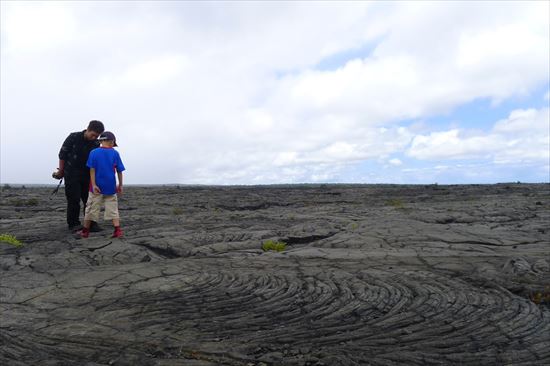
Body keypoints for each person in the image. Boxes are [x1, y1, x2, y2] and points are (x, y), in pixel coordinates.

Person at [54, 120, 105, 231]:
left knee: (90, 200)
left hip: (88, 175)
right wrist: (61, 171)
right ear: (88, 129)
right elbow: (62, 155)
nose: (94, 138)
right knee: (74, 199)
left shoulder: (96, 144)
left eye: (96, 136)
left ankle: (91, 223)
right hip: (71, 173)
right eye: (93, 135)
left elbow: (96, 162)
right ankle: (74, 224)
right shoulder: (73, 137)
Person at [77, 131, 125, 239]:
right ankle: (117, 230)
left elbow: (92, 170)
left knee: (91, 208)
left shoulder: (94, 152)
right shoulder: (115, 153)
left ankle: (85, 231)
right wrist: (120, 185)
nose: (113, 144)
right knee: (113, 208)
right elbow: (119, 171)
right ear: (111, 141)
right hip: (111, 186)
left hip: (96, 187)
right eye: (113, 142)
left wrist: (93, 185)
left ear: (101, 141)